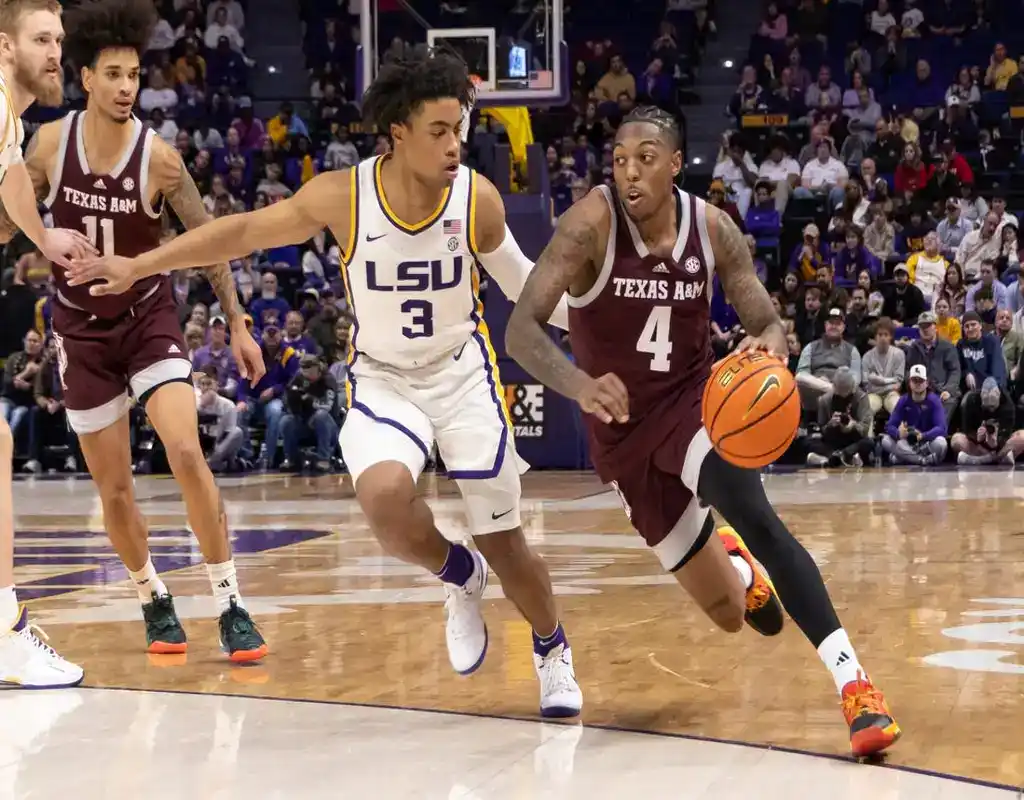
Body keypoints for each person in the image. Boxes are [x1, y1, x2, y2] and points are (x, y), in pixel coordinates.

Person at [66, 50, 584, 717]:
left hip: (461, 374)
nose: (454, 144)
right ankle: (459, 576)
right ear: (397, 131)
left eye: (458, 128)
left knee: (505, 538)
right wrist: (142, 264)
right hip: (384, 378)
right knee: (385, 501)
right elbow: (243, 231)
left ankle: (552, 649)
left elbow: (527, 286)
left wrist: (613, 316)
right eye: (438, 130)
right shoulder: (343, 194)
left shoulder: (476, 198)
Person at [503, 105, 899, 757]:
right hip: (620, 434)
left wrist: (764, 351)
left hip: (693, 405)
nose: (629, 172)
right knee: (726, 616)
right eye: (620, 159)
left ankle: (856, 688)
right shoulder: (586, 228)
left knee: (755, 512)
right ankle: (738, 573)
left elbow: (770, 324)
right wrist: (580, 384)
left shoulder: (713, 228)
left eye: (646, 158)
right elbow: (521, 328)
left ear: (676, 164)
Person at [0, 0, 268, 662]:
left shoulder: (162, 161)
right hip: (80, 332)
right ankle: (152, 595)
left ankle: (229, 599)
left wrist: (237, 320)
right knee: (114, 490)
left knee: (185, 451)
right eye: (114, 74)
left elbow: (208, 242)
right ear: (86, 78)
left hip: (147, 318)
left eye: (134, 76)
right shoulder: (48, 144)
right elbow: (11, 217)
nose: (126, 87)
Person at [0, 0, 106, 689]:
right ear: (5, 47)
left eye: (58, 39)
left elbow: (10, 178)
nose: (55, 52)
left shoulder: (8, 121)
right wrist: (43, 238)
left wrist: (37, 237)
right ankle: (6, 633)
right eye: (41, 39)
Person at [882, 364, 949, 465]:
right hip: (908, 442)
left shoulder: (934, 400)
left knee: (941, 443)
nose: (917, 384)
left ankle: (903, 458)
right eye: (914, 380)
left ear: (926, 383)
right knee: (885, 440)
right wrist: (898, 433)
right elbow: (890, 425)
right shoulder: (903, 400)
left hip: (927, 442)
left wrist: (922, 435)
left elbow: (941, 428)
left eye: (920, 380)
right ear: (909, 383)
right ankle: (922, 460)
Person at [951, 377, 1024, 465]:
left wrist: (996, 441)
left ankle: (987, 458)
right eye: (987, 407)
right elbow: (967, 430)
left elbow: (1007, 432)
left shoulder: (1007, 404)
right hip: (978, 446)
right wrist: (978, 437)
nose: (990, 410)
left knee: (1022, 436)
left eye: (993, 406)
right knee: (956, 439)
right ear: (981, 396)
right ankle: (988, 458)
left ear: (999, 395)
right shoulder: (970, 400)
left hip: (1001, 446)